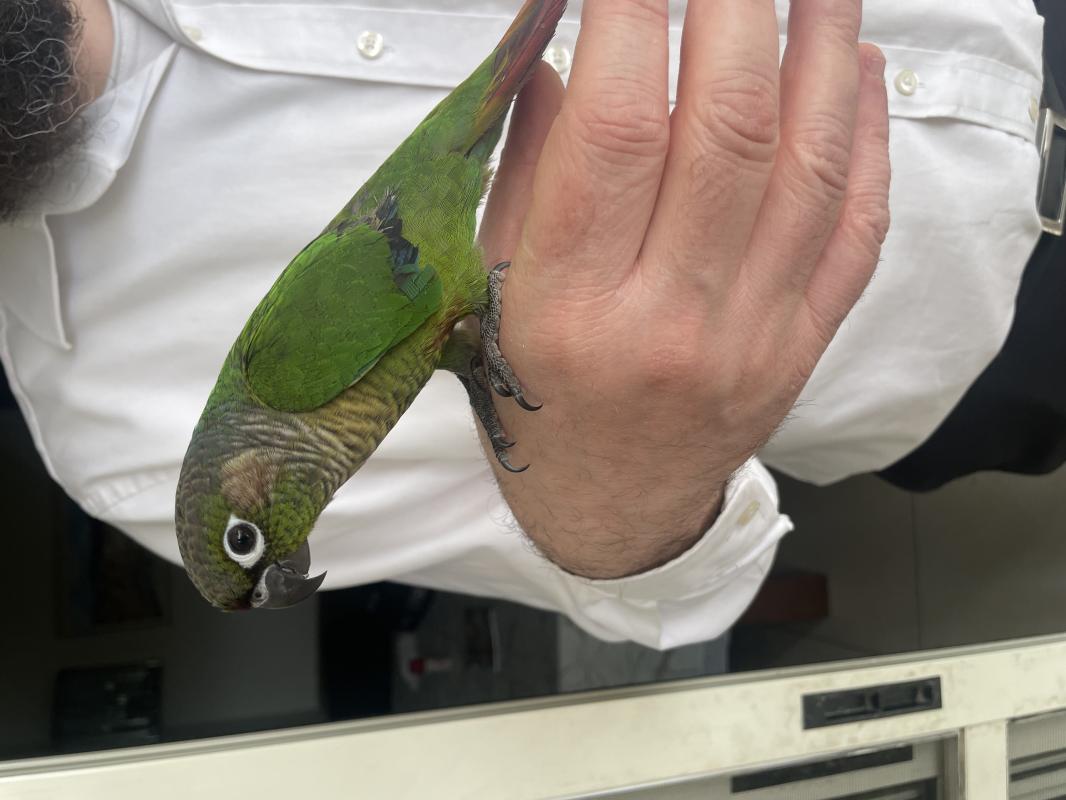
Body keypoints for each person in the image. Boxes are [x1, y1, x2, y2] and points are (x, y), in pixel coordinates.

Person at [0, 0, 1047, 648]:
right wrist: (604, 500)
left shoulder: (280, 384)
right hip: (1006, 362)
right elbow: (669, 602)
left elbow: (418, 271)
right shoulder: (111, 435)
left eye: (250, 542)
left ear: (243, 481)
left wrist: (472, 328)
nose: (284, 556)